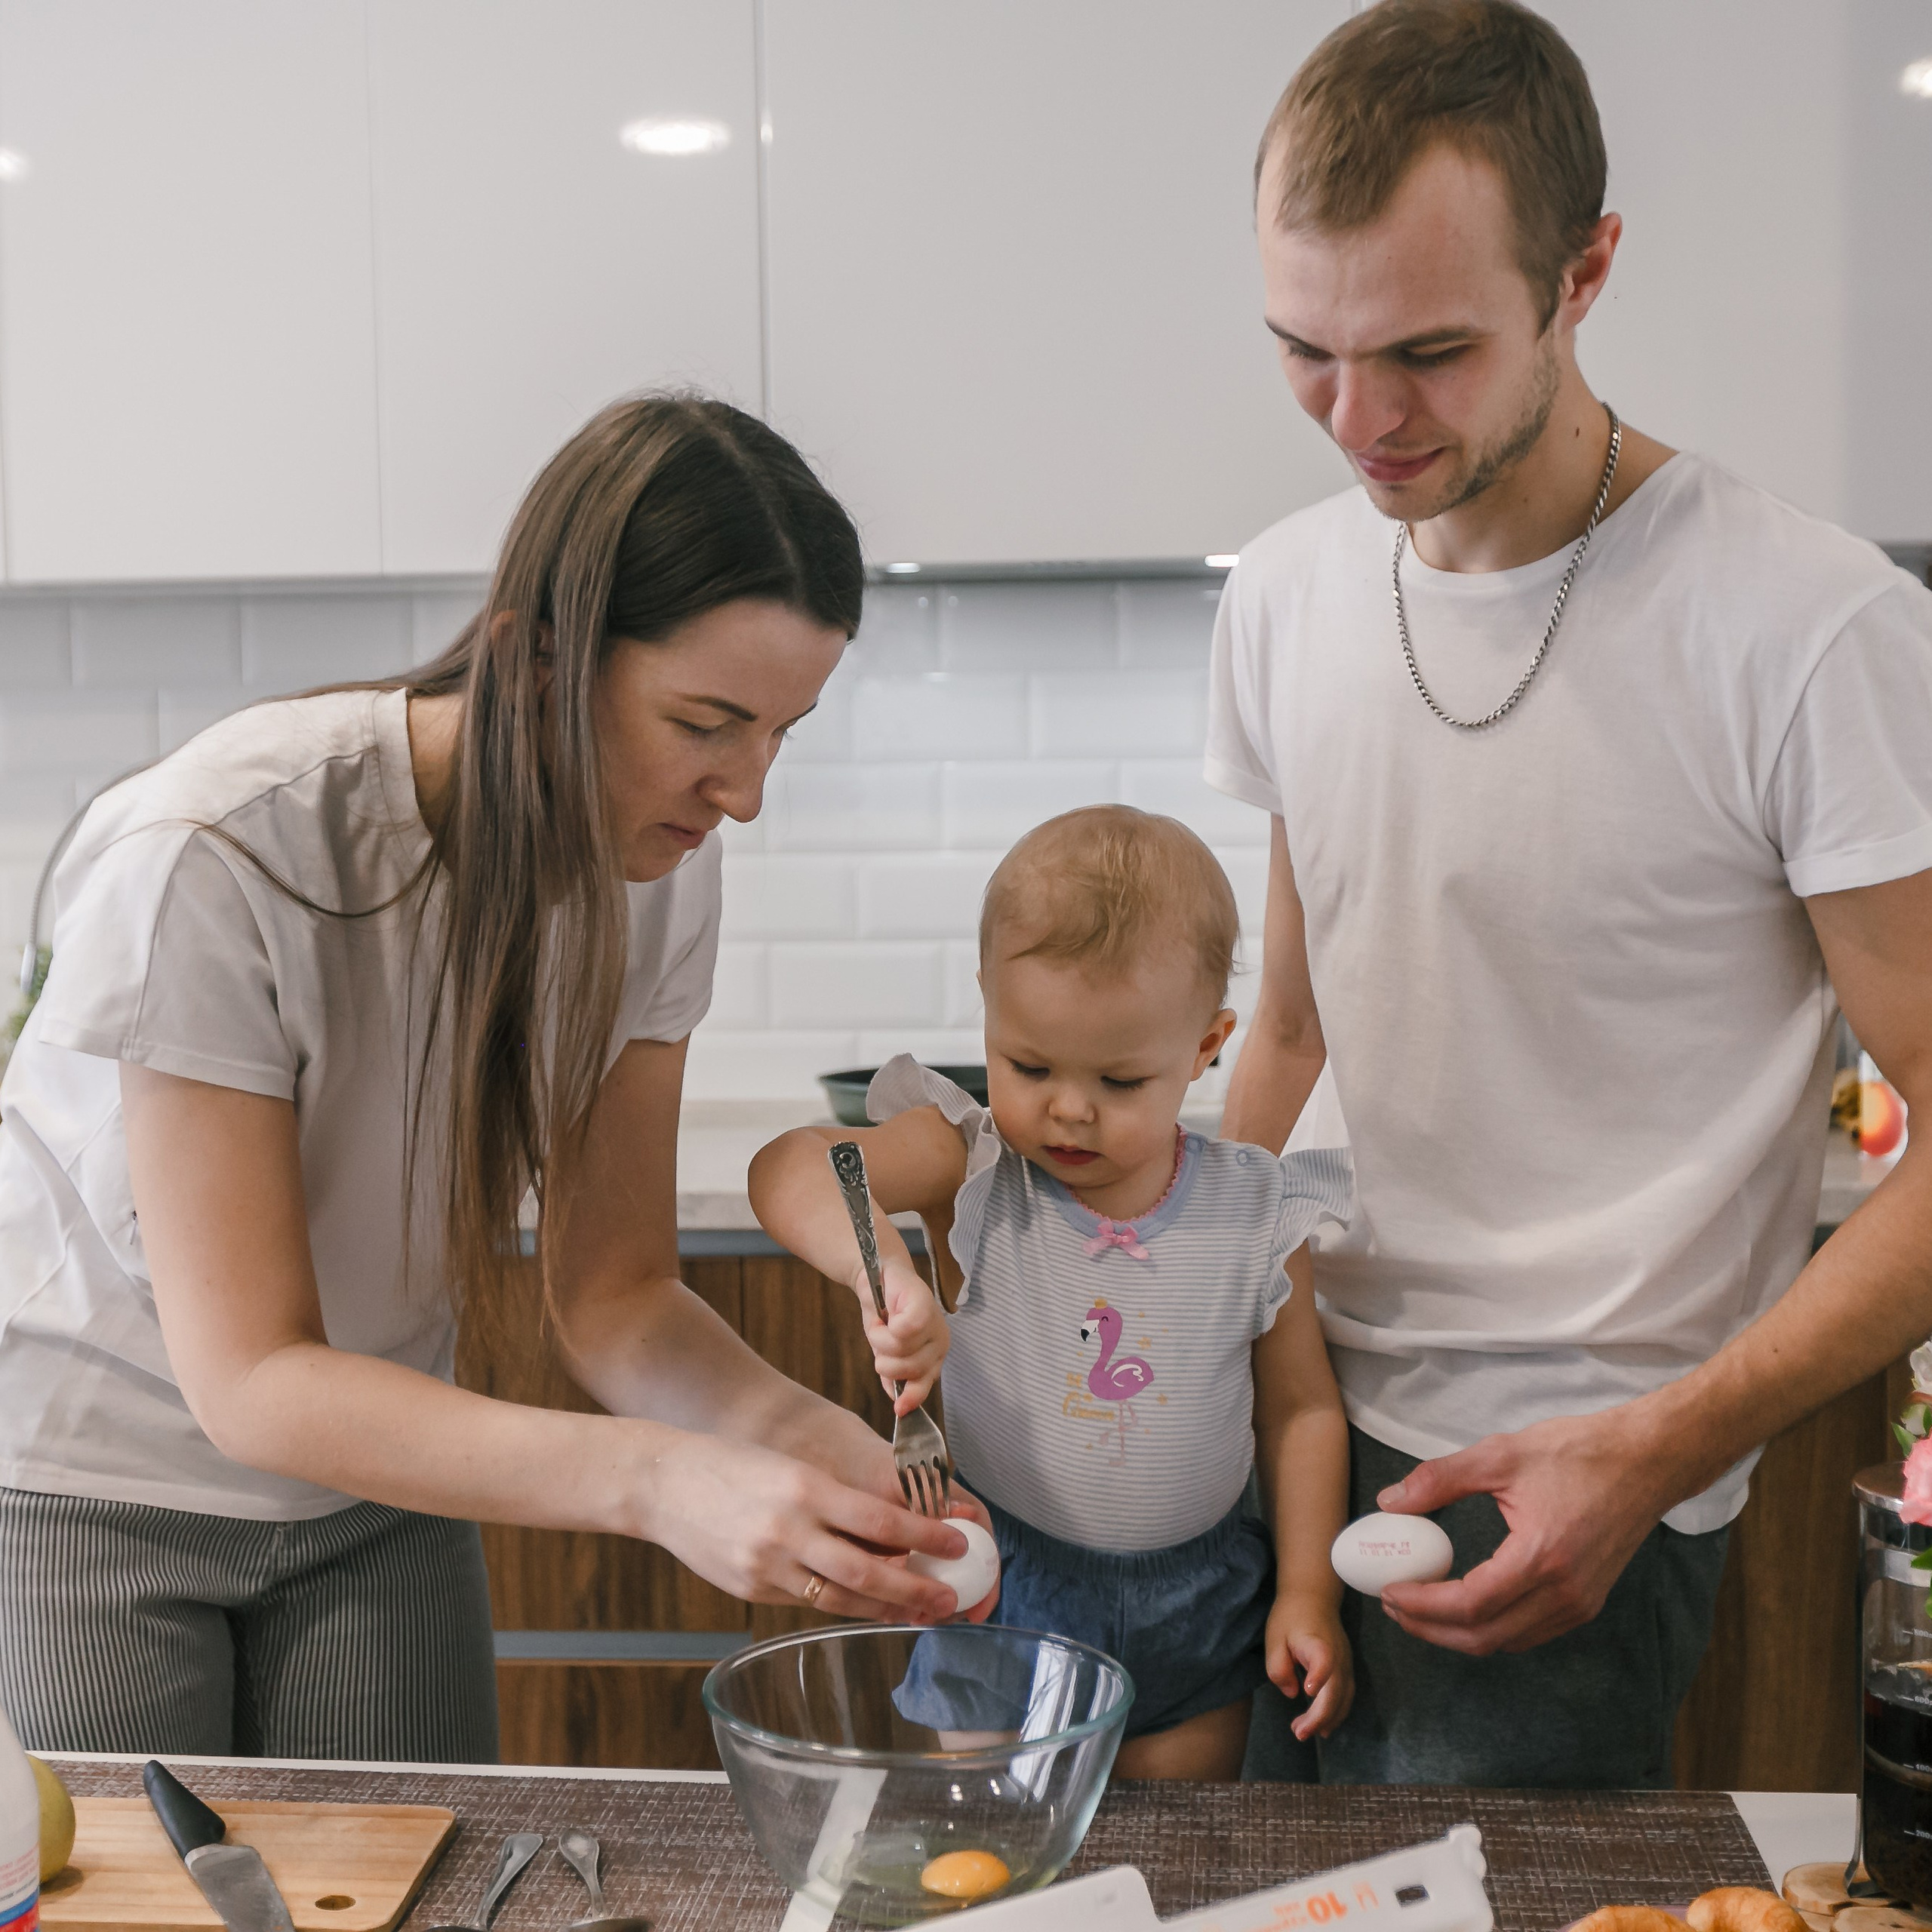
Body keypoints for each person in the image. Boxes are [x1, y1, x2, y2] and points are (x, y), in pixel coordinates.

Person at [0, 393, 989, 1761]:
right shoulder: (225, 852)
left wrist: (807, 1450)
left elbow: (616, 1292)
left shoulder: (656, 878)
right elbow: (257, 1380)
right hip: (84, 1485)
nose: (746, 792)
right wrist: (656, 1484)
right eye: (708, 722)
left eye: (782, 731)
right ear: (537, 659)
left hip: (379, 1489)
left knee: (428, 1885)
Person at [1208, 0, 1932, 1787]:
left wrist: (1661, 1449)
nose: (1357, 420)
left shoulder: (1805, 626)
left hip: (1574, 1486)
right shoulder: (1286, 594)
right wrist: (1165, 1304)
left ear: (1584, 270)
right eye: (1304, 347)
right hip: (1275, 1430)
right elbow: (1292, 1023)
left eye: (1429, 352)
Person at [749, 806, 1357, 1779]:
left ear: (1207, 1046)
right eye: (1029, 1065)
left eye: (1120, 1079)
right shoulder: (974, 1164)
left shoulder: (1257, 1208)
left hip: (1196, 1606)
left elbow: (1301, 1414)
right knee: (998, 1852)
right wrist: (884, 1269)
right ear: (987, 1005)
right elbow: (793, 1167)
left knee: (1171, 1860)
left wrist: (1308, 1593)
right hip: (1005, 1592)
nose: (1067, 1109)